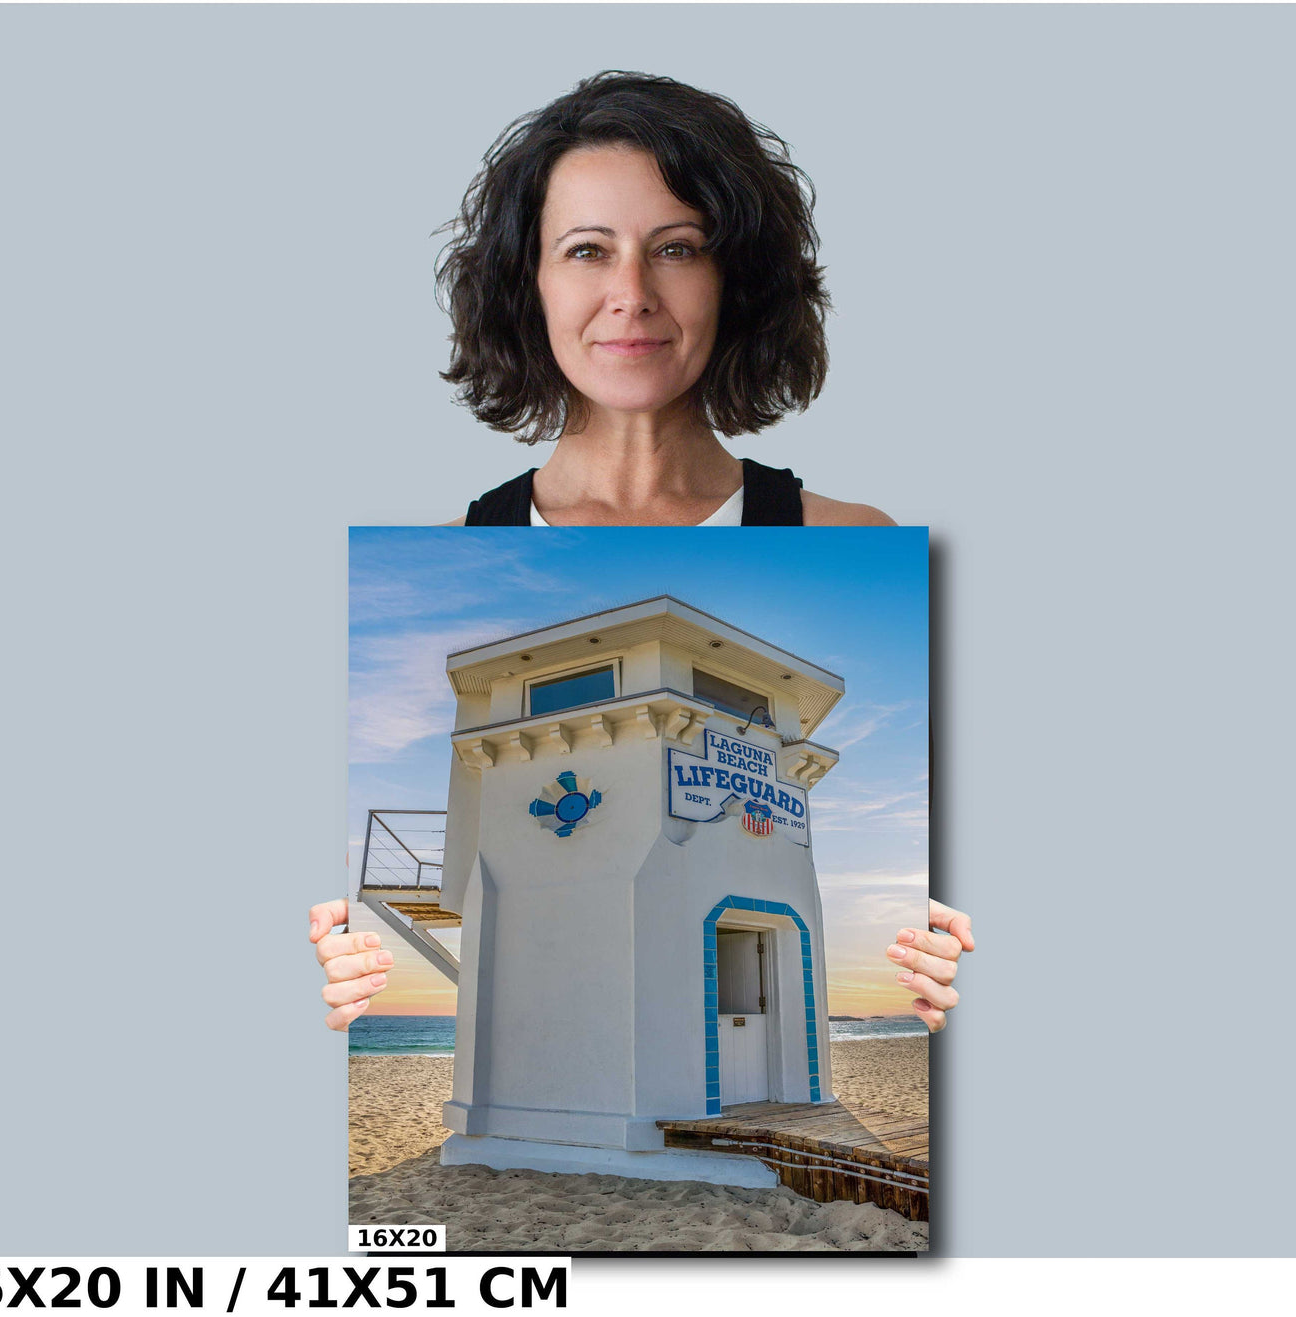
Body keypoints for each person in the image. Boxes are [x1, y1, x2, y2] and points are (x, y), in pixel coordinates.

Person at [312, 71, 974, 1029]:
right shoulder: (450, 543)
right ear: (527, 282)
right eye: (586, 250)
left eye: (678, 248)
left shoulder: (851, 535)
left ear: (734, 278)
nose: (630, 294)